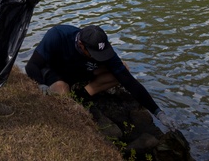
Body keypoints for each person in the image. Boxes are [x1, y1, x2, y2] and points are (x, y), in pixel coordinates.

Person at [24, 24, 176, 131]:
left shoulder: (102, 48)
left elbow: (129, 81)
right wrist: (40, 85)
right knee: (62, 91)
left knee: (123, 70)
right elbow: (31, 66)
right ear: (81, 45)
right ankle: (68, 94)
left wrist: (158, 112)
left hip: (81, 71)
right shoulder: (58, 35)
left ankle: (82, 94)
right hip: (55, 71)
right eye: (96, 55)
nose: (101, 57)